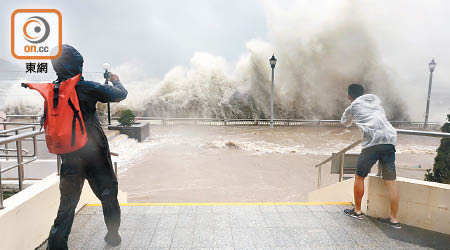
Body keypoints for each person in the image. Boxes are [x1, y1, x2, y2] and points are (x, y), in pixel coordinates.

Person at [47, 44, 128, 250]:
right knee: (108, 193)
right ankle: (113, 235)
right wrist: (116, 80)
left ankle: (56, 245)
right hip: (94, 152)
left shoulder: (53, 91)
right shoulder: (87, 88)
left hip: (69, 155)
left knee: (67, 204)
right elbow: (120, 94)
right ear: (77, 65)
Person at [341, 83, 401, 229]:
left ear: (349, 96)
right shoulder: (375, 100)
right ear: (363, 93)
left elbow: (344, 123)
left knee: (359, 176)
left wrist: (353, 118)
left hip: (372, 144)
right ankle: (394, 219)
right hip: (389, 140)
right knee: (391, 181)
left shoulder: (353, 106)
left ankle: (357, 211)